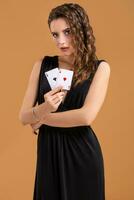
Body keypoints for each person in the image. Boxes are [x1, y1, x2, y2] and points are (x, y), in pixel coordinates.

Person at [19, 3, 110, 200]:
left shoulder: (100, 68)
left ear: (81, 29)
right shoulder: (42, 65)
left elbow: (85, 117)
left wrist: (41, 118)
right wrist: (44, 107)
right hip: (48, 154)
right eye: (55, 34)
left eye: (67, 32)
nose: (61, 41)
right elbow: (23, 116)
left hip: (82, 154)